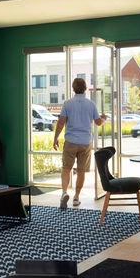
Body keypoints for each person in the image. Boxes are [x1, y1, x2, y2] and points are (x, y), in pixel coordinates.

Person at [52, 77, 108, 209]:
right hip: (85, 142)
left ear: (73, 88)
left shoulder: (68, 103)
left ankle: (64, 193)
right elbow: (98, 122)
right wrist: (104, 118)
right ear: (85, 88)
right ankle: (76, 197)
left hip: (71, 141)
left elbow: (61, 122)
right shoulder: (91, 104)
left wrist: (55, 138)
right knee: (81, 170)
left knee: (66, 168)